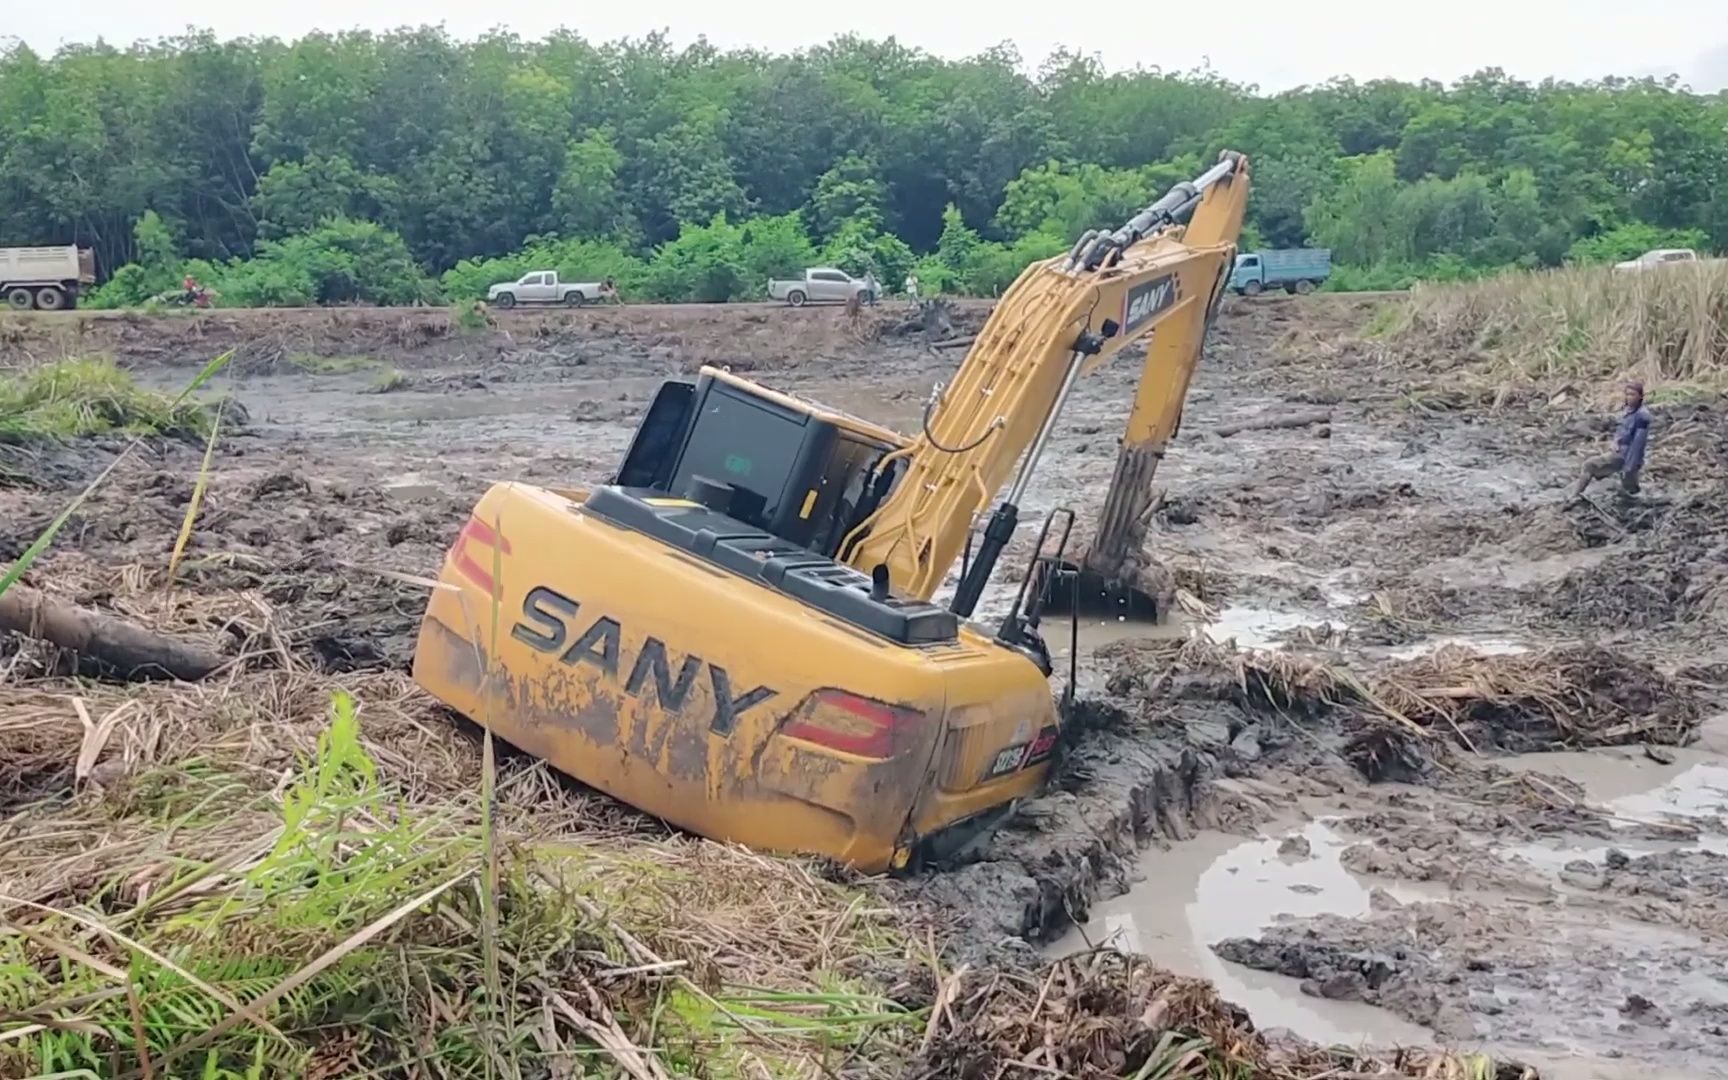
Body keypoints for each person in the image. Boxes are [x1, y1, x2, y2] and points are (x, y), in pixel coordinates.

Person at [1569, 379, 1652, 501]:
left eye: (1633, 394)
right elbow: (1621, 431)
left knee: (1589, 465)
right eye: (1627, 394)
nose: (1629, 397)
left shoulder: (1642, 416)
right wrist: (1615, 442)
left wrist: (1630, 465)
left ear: (1640, 396)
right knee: (1631, 491)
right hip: (1619, 452)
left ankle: (1573, 497)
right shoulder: (1628, 411)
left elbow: (1638, 444)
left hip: (1626, 456)